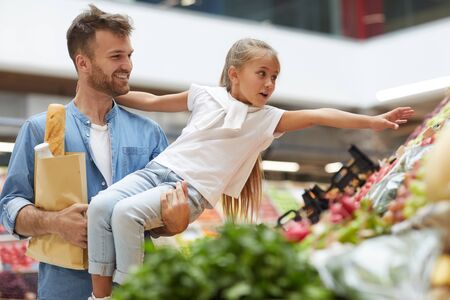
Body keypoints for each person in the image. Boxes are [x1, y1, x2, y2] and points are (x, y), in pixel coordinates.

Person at [87, 37, 415, 299]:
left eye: (274, 77)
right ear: (234, 73)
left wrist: (372, 121)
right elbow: (154, 102)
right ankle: (99, 297)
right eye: (262, 73)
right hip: (156, 171)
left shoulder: (269, 119)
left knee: (125, 214)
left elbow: (319, 114)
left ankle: (127, 294)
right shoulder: (205, 95)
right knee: (100, 206)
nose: (269, 83)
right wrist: (104, 90)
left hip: (188, 190)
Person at [0, 5, 190, 300]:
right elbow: (10, 205)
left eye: (129, 55)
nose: (127, 65)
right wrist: (55, 223)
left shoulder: (149, 133)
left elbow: (166, 207)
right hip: (66, 289)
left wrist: (174, 224)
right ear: (83, 63)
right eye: (116, 56)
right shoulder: (40, 129)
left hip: (138, 287)